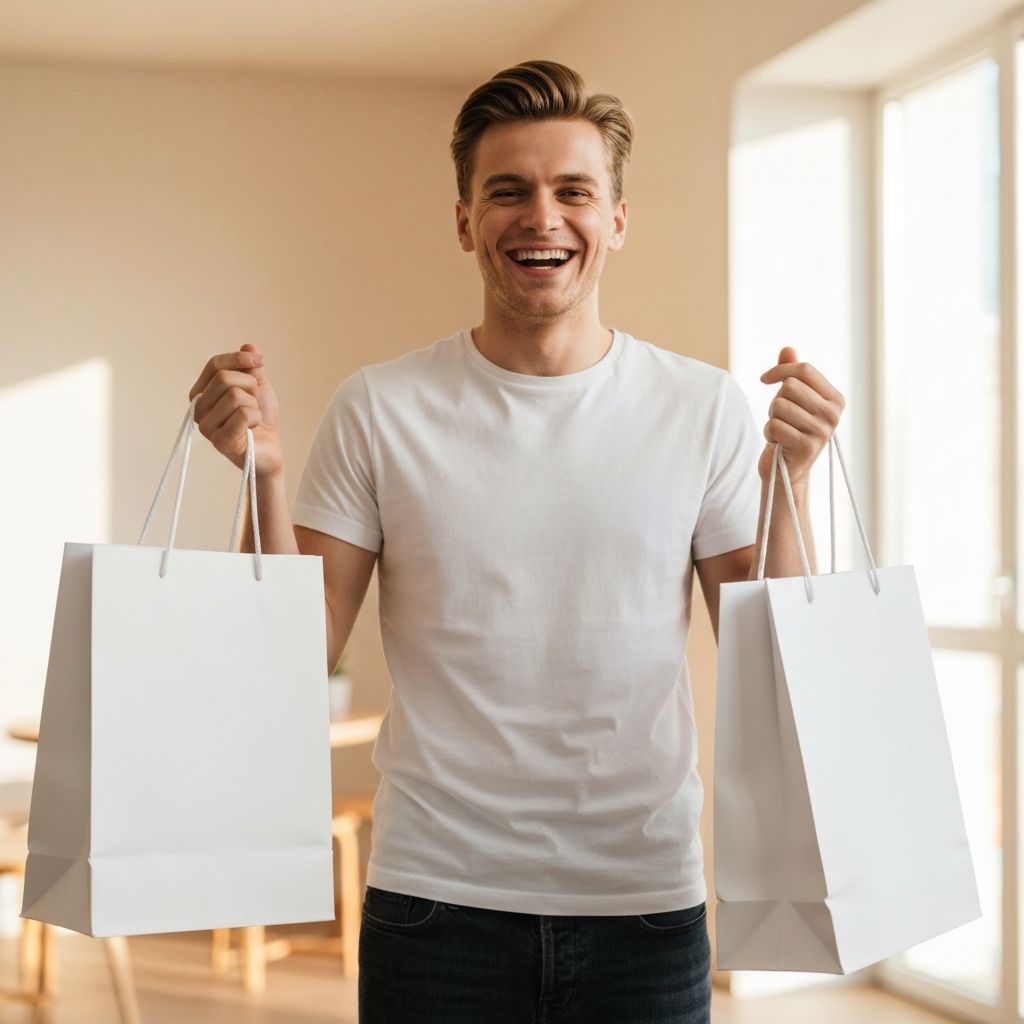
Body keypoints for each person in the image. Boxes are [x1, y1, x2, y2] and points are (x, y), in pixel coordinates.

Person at [188, 59, 844, 1024]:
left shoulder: (700, 407)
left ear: (616, 220)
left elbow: (774, 656)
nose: (542, 215)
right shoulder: (381, 407)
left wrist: (792, 483)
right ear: (465, 221)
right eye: (508, 191)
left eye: (574, 190)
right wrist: (263, 478)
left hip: (646, 908)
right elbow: (293, 652)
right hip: (433, 907)